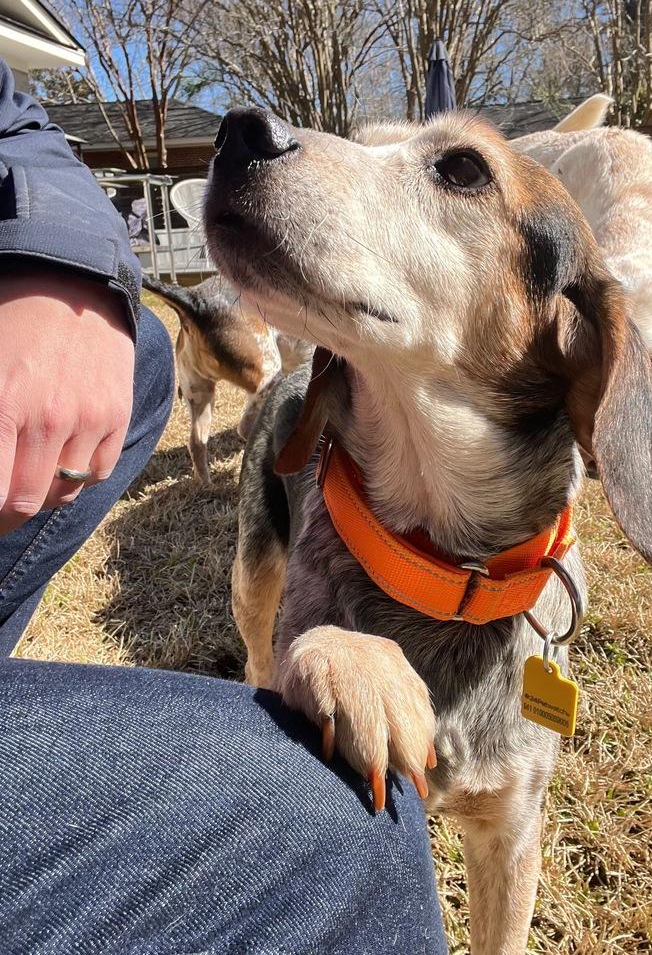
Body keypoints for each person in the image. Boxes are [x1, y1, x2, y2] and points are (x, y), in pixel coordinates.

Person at [0, 58, 446, 954]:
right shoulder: (298, 410)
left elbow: (13, 121)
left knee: (143, 368)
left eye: (454, 173)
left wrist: (60, 264)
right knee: (355, 822)